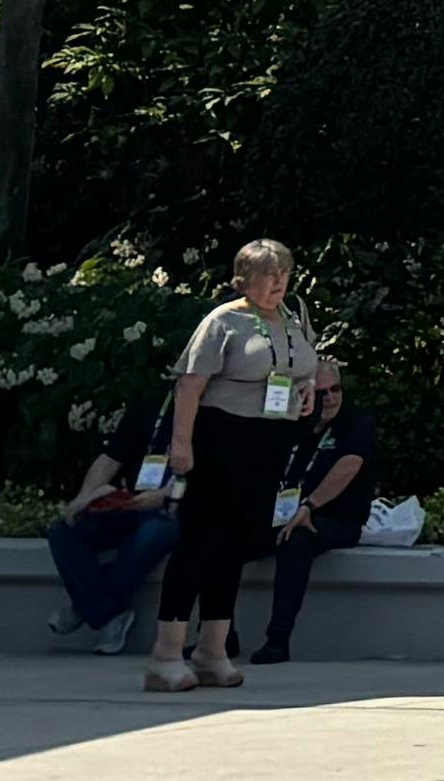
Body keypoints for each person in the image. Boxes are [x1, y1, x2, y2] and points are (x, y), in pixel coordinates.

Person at [154, 239, 320, 694]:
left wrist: (306, 390)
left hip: (268, 444)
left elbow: (302, 368)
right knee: (200, 542)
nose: (278, 282)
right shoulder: (223, 321)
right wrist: (181, 445)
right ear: (244, 279)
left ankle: (213, 649)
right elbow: (190, 385)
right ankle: (167, 652)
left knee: (236, 545)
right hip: (221, 438)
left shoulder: (290, 319)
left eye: (283, 273)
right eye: (268, 274)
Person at [253, 379, 381, 665]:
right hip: (282, 513)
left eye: (336, 389)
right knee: (228, 539)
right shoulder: (295, 426)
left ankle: (277, 640)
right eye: (322, 392)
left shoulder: (356, 423)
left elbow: (350, 465)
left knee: (296, 542)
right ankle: (218, 634)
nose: (330, 398)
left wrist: (309, 505)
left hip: (334, 518)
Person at [43, 400, 180, 653]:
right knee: (64, 532)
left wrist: (161, 496)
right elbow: (110, 458)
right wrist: (83, 500)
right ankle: (106, 614)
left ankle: (86, 607)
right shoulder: (152, 405)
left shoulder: (215, 410)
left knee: (151, 535)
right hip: (131, 501)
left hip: (174, 508)